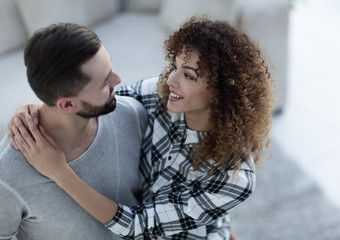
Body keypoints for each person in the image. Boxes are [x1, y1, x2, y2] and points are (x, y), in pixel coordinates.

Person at [9, 16, 275, 239]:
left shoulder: (234, 178)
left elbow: (138, 226)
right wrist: (36, 105)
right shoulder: (158, 95)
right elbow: (95, 100)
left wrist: (59, 172)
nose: (170, 79)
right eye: (175, 66)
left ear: (223, 92)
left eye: (188, 75)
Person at [0, 23, 148, 240]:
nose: (117, 80)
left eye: (110, 68)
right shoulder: (8, 173)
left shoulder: (133, 115)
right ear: (67, 105)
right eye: (104, 82)